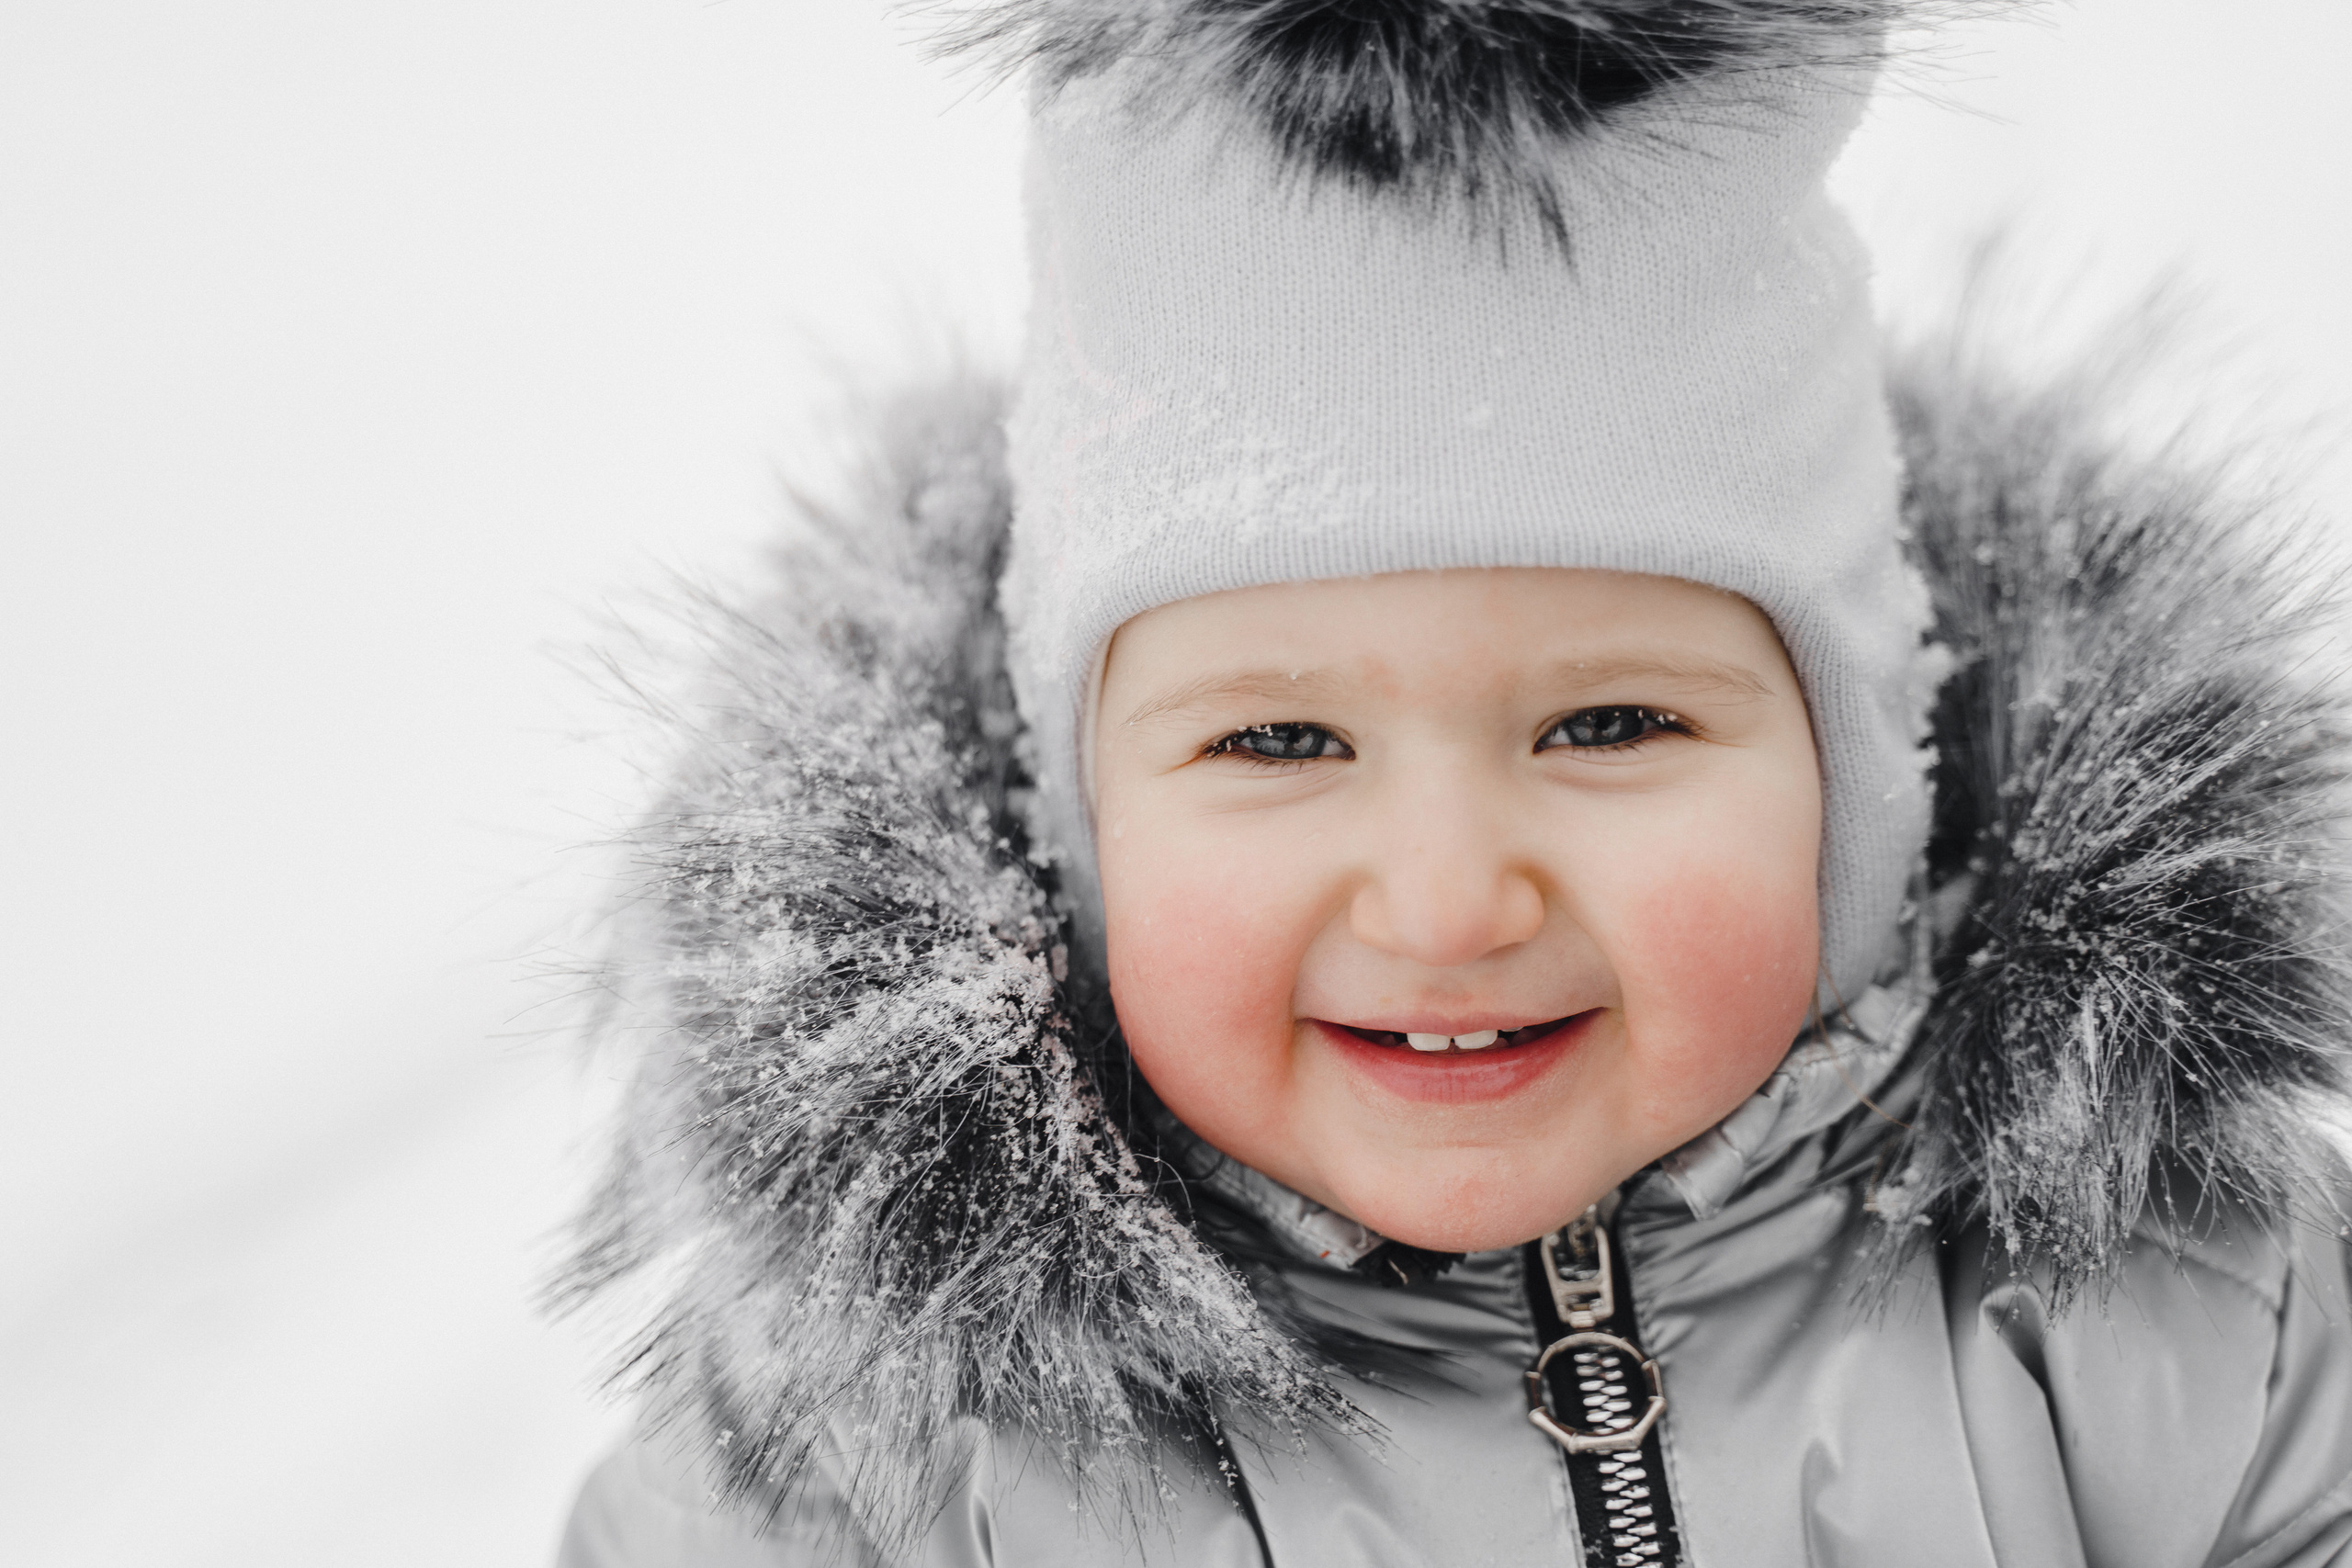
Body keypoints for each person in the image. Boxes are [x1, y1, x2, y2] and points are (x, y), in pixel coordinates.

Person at [553, 3, 2352, 1563]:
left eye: (1607, 727)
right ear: (1069, 824)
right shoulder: (880, 1455)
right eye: (1275, 742)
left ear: (1864, 779)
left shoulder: (2189, 1321)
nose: (1443, 898)